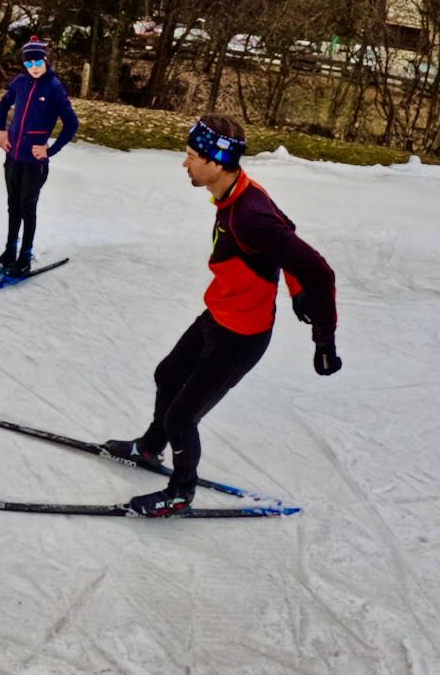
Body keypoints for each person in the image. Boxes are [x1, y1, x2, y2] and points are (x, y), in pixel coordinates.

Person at [106, 115, 342, 517]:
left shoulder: (251, 214)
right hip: (218, 312)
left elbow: (318, 269)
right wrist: (295, 288)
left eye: (192, 156)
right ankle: (150, 447)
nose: (185, 163)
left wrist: (324, 336)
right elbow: (288, 231)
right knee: (168, 375)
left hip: (241, 335)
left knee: (182, 417)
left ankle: (181, 492)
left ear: (217, 163)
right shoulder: (236, 194)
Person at [0, 36, 79, 277]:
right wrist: (1, 129)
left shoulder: (53, 88)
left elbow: (72, 123)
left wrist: (49, 150)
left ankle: (25, 256)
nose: (34, 68)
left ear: (45, 59)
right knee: (13, 206)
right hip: (13, 157)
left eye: (37, 62)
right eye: (28, 64)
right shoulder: (20, 82)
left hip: (34, 163)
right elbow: (4, 103)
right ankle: (10, 251)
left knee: (27, 207)